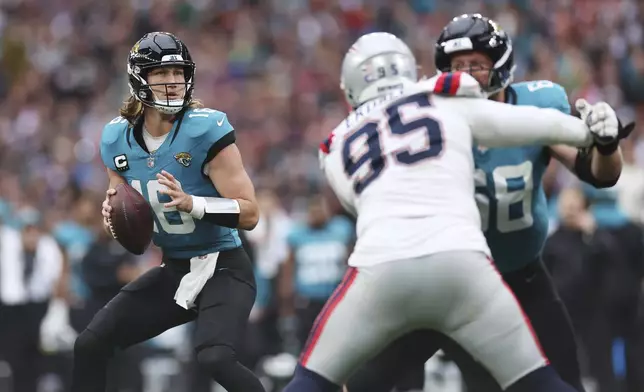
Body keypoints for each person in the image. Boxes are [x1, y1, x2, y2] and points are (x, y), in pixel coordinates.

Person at [282, 31, 620, 392]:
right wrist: (588, 132)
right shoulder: (446, 103)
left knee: (321, 379)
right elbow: (549, 126)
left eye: (478, 64)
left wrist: (603, 143)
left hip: (505, 273)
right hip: (467, 267)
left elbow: (598, 171)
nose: (470, 75)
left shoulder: (336, 141)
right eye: (461, 67)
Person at [71, 32, 265, 392]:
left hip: (224, 266)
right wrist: (112, 216)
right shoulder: (116, 138)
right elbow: (131, 226)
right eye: (161, 73)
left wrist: (194, 203)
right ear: (139, 80)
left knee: (215, 357)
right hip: (174, 269)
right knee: (89, 345)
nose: (173, 81)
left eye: (178, 72)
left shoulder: (206, 129)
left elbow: (251, 214)